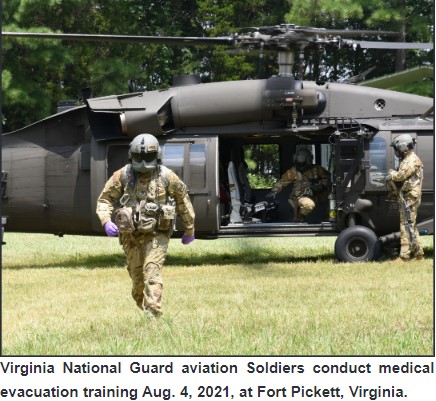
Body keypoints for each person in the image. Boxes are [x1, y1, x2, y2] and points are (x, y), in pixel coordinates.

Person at [96, 133, 195, 317]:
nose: (142, 163)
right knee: (137, 281)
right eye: (138, 157)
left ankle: (153, 317)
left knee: (152, 272)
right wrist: (106, 220)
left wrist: (189, 229)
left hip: (157, 235)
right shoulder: (123, 176)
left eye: (147, 158)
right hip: (131, 236)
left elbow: (183, 201)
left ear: (157, 156)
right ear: (131, 155)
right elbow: (104, 200)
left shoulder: (167, 176)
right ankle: (144, 307)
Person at [386, 134, 424, 262]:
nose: (396, 151)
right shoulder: (409, 159)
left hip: (410, 198)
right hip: (408, 196)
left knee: (405, 225)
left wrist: (391, 174)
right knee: (411, 226)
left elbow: (400, 176)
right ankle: (419, 254)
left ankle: (404, 257)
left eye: (397, 148)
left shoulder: (411, 160)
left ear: (402, 147)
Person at [267, 148, 330, 222]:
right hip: (300, 197)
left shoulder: (317, 169)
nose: (300, 166)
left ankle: (328, 220)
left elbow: (327, 178)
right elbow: (282, 181)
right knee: (309, 205)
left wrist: (320, 185)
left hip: (317, 195)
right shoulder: (293, 171)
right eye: (298, 164)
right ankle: (299, 218)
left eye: (302, 164)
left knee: (331, 200)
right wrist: (275, 190)